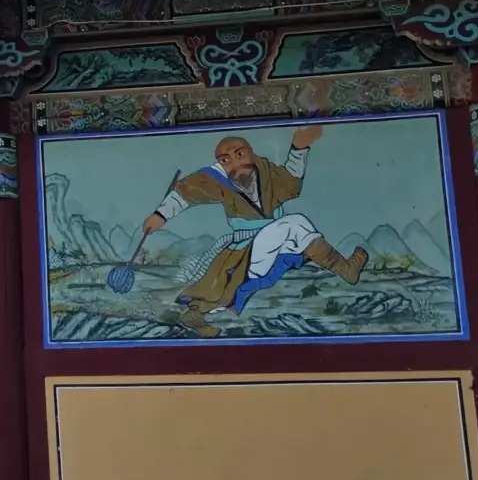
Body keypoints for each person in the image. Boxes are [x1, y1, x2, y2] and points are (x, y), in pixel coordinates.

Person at [143, 128, 367, 330]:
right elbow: (185, 195)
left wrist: (299, 148)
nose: (234, 164)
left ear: (250, 152)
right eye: (226, 160)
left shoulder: (265, 170)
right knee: (294, 225)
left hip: (272, 243)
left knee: (290, 230)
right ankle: (345, 269)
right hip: (246, 249)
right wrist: (160, 215)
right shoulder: (217, 178)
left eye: (239, 155)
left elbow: (291, 184)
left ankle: (195, 315)